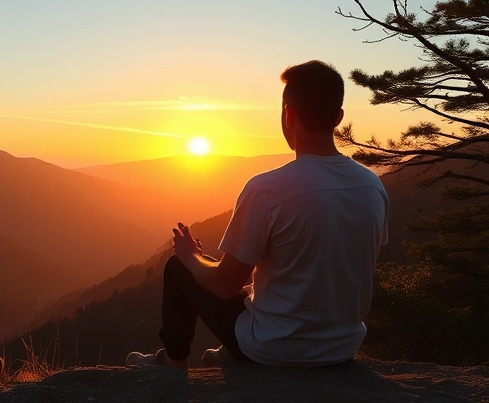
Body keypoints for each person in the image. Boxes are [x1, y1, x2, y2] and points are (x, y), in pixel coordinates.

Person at [127, 61, 389, 368]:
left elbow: (225, 286)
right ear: (338, 118)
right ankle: (229, 356)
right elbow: (332, 263)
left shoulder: (267, 189)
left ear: (288, 114)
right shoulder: (372, 186)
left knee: (177, 268)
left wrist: (190, 256)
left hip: (274, 350)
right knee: (243, 286)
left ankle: (172, 361)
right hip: (341, 349)